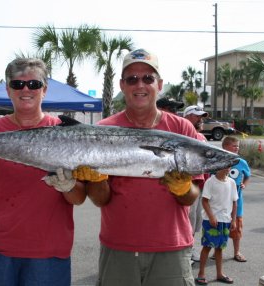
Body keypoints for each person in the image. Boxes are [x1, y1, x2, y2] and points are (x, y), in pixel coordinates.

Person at [0, 58, 90, 286]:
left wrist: (69, 186)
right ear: (8, 90)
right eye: (17, 84)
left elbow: (79, 198)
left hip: (48, 255)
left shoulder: (67, 133)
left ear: (44, 89)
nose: (25, 90)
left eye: (33, 84)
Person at [84, 48, 203, 286]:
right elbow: (100, 199)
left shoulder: (183, 129)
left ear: (159, 84)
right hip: (118, 248)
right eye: (132, 79)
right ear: (122, 85)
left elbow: (192, 197)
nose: (140, 85)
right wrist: (96, 180)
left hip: (172, 247)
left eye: (148, 78)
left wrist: (182, 188)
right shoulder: (102, 130)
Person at [195, 167, 238, 285]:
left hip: (225, 220)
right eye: (225, 166)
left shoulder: (232, 182)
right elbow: (204, 201)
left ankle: (219, 274)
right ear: (218, 166)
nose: (228, 169)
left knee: (220, 248)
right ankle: (201, 274)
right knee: (207, 246)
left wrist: (233, 220)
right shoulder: (210, 181)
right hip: (211, 221)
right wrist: (211, 216)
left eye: (229, 166)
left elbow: (235, 202)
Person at [183, 105, 209, 263]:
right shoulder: (183, 135)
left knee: (196, 220)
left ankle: (190, 247)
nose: (200, 119)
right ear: (187, 117)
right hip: (188, 185)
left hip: (201, 185)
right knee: (188, 220)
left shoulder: (202, 137)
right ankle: (185, 251)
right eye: (196, 116)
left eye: (201, 116)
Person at [222, 136, 251, 263]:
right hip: (221, 203)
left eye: (238, 146)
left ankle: (236, 252)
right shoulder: (219, 160)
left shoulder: (242, 162)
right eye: (234, 146)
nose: (237, 148)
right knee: (220, 228)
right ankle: (218, 250)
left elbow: (248, 175)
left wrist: (244, 183)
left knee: (237, 228)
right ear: (225, 147)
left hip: (237, 204)